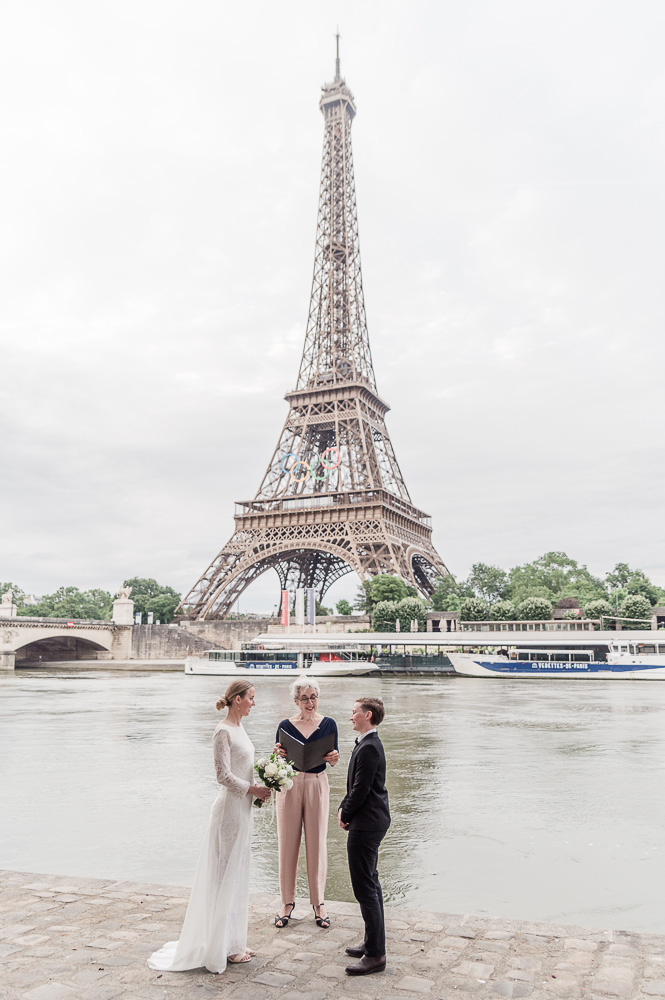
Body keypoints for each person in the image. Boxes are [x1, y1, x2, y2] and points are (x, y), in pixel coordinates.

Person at [147, 680, 270, 975]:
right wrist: (252, 790)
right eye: (251, 698)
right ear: (238, 699)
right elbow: (222, 775)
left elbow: (244, 766)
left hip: (243, 810)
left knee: (238, 874)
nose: (255, 702)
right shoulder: (222, 731)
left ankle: (233, 942)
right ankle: (221, 946)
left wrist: (268, 772)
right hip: (229, 810)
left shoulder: (241, 728)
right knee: (225, 874)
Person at [273, 676, 340, 929]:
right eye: (304, 698)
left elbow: (333, 757)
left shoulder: (329, 724)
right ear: (296, 701)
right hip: (289, 783)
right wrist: (278, 754)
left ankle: (319, 902)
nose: (310, 702)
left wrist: (334, 757)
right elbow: (278, 756)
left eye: (313, 697)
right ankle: (287, 902)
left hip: (316, 782)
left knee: (317, 842)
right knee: (287, 842)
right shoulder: (285, 726)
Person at [338, 696, 390, 976]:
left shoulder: (370, 747)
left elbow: (361, 789)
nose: (351, 716)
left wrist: (346, 813)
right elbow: (355, 785)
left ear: (367, 715)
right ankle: (373, 942)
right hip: (370, 820)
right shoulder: (368, 744)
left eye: (354, 711)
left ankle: (375, 955)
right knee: (371, 883)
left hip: (367, 823)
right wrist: (343, 808)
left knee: (365, 888)